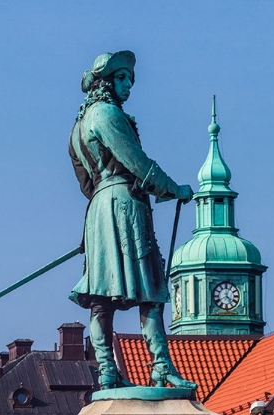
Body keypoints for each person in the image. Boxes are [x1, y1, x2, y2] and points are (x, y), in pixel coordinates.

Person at [69, 50, 197, 391]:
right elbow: (137, 161)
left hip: (98, 211)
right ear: (107, 83)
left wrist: (101, 206)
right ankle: (160, 366)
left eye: (130, 79)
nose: (128, 86)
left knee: (101, 298)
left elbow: (85, 182)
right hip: (124, 205)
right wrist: (173, 188)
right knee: (151, 289)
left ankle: (107, 371)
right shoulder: (108, 115)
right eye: (123, 78)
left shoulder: (78, 128)